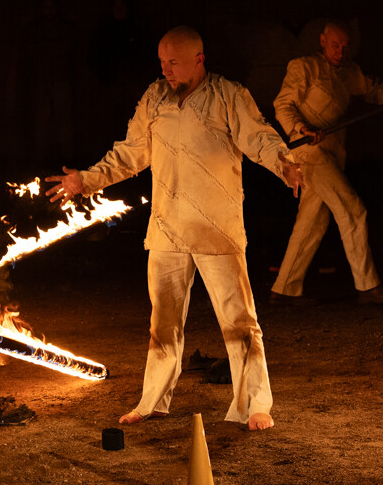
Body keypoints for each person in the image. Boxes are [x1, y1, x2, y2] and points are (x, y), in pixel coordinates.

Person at [45, 26, 302, 431]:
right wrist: (86, 179)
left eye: (174, 62)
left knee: (239, 321)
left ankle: (255, 404)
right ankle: (152, 401)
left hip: (217, 227)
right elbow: (130, 153)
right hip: (167, 227)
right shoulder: (154, 98)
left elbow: (259, 137)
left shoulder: (228, 95)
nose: (166, 69)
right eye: (162, 61)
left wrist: (284, 164)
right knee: (162, 323)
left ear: (199, 60)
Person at [269, 20, 383, 305]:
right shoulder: (304, 67)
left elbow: (371, 87)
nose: (340, 51)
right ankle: (368, 287)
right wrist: (301, 128)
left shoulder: (349, 73)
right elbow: (283, 105)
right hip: (309, 153)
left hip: (332, 154)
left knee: (311, 224)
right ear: (322, 41)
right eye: (334, 45)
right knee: (353, 210)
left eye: (344, 47)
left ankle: (283, 291)